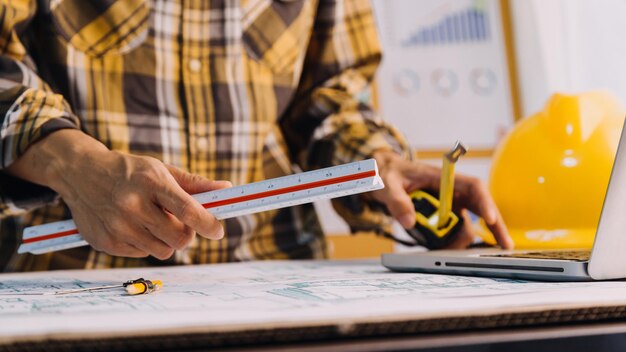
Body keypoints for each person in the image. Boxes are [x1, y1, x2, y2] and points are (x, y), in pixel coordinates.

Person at [0, 0, 511, 272]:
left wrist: (378, 164)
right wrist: (73, 163)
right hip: (73, 277)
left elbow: (328, 97)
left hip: (275, 278)